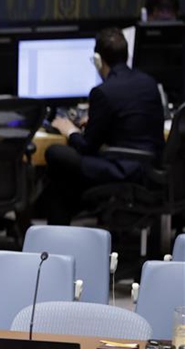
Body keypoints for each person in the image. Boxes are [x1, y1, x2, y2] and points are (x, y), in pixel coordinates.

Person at [41, 27, 165, 225]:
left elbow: (87, 147)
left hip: (122, 170)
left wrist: (70, 131)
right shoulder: (149, 83)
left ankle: (55, 237)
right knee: (61, 181)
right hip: (153, 171)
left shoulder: (102, 92)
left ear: (98, 60)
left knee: (56, 155)